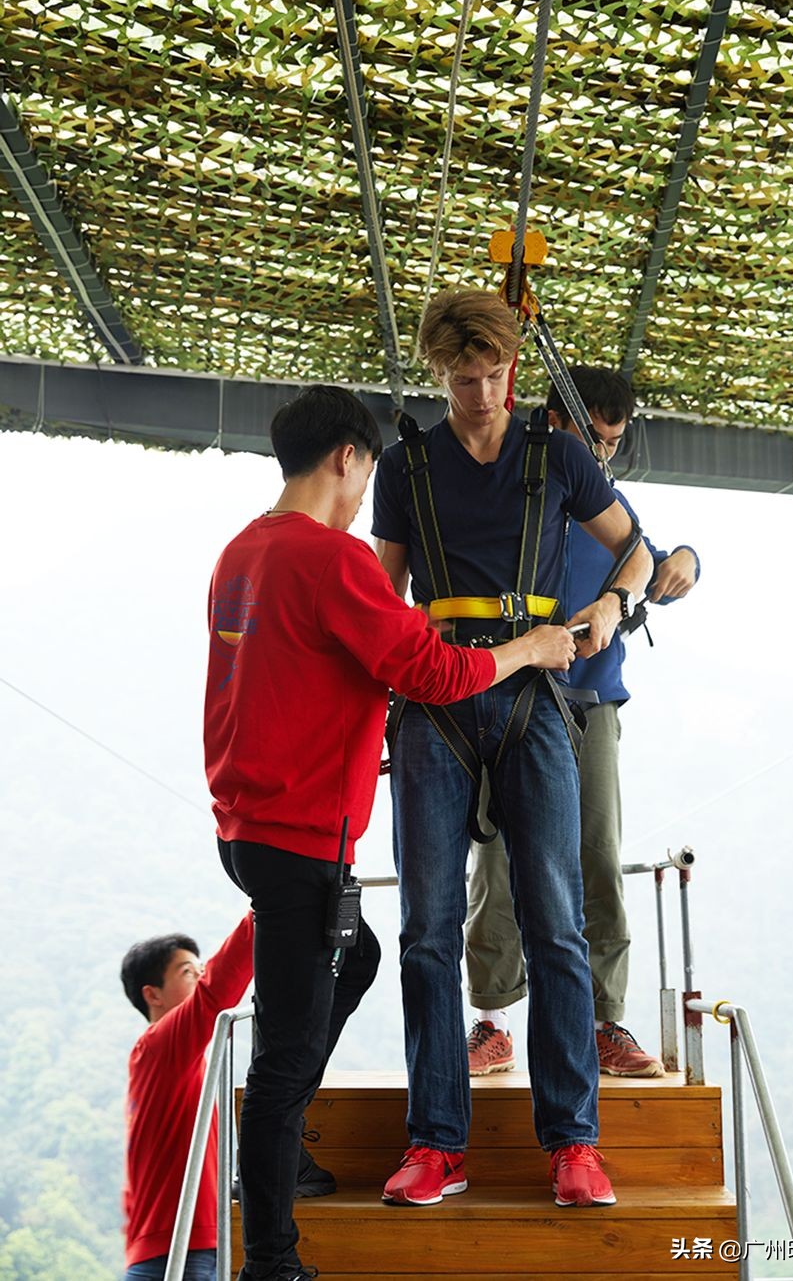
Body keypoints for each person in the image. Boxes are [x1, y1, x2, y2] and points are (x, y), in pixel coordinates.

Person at [203, 384, 578, 1281]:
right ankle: (274, 1257)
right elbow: (428, 667)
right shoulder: (332, 560)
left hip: (247, 823)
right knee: (288, 1047)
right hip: (299, 834)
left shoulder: (240, 552)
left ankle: (280, 1134)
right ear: (347, 458)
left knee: (361, 956)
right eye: (368, 467)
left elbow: (289, 671)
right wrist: (528, 648)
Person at [372, 291, 653, 1210]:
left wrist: (610, 608)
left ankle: (573, 1144)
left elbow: (636, 551)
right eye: (462, 379)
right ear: (438, 373)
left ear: (512, 368)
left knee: (556, 923)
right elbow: (386, 598)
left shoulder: (559, 454)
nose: (480, 392)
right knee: (425, 930)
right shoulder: (403, 466)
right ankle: (434, 1146)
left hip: (537, 696)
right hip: (434, 702)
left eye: (493, 374)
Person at [464, 365, 701, 1081]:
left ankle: (604, 1022)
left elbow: (653, 565)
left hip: (591, 703)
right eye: (591, 439)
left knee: (595, 853)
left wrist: (688, 558)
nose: (600, 456)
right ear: (555, 423)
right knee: (498, 857)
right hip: (508, 698)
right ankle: (492, 1021)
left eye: (612, 443)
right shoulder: (514, 488)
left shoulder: (609, 503)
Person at [120, 916, 254, 1281]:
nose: (199, 975)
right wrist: (264, 911)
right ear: (153, 994)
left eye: (200, 968)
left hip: (166, 1247)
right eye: (187, 971)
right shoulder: (160, 1047)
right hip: (180, 1251)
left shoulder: (167, 1061)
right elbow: (214, 995)